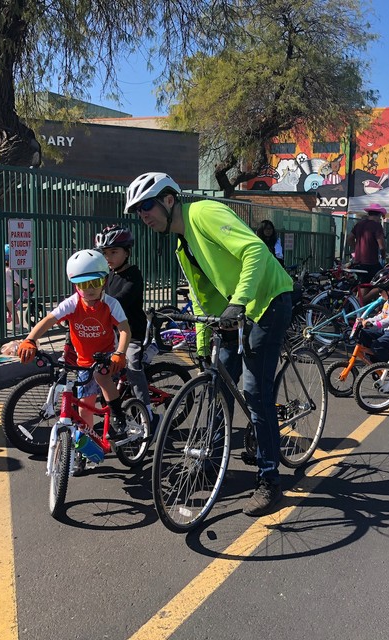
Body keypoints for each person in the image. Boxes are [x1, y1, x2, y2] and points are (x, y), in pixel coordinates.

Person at [124, 172, 293, 517]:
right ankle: (211, 462)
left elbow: (255, 252)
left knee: (254, 391)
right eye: (137, 211)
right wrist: (204, 347)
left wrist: (240, 302)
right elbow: (202, 300)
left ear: (169, 200)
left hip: (269, 299)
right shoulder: (181, 246)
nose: (143, 215)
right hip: (237, 309)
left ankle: (270, 479)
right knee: (218, 384)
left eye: (146, 206)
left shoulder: (203, 214)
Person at [16, 250, 131, 436]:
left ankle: (118, 414)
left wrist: (120, 353)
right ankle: (88, 441)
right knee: (84, 407)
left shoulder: (111, 304)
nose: (90, 289)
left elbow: (125, 329)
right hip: (83, 362)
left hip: (107, 356)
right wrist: (30, 340)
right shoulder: (72, 303)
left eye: (96, 282)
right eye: (84, 284)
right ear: (75, 285)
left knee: (101, 377)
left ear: (105, 281)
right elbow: (48, 320)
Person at [94, 224, 157, 429]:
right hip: (111, 333)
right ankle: (113, 409)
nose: (109, 257)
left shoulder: (134, 275)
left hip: (133, 333)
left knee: (132, 367)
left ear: (127, 252)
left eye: (114, 252)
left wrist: (100, 303)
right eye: (105, 253)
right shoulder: (107, 274)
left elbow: (121, 299)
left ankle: (148, 414)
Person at [0, 243, 29, 330]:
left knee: (0, 309)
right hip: (6, 294)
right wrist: (26, 284)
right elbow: (19, 280)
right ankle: (18, 327)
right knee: (13, 310)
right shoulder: (10, 269)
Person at [346, 203, 387, 283]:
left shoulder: (359, 224)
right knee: (383, 282)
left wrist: (355, 250)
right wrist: (383, 256)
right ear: (378, 215)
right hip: (371, 262)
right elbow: (382, 246)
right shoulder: (377, 226)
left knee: (363, 284)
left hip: (358, 262)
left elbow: (349, 238)